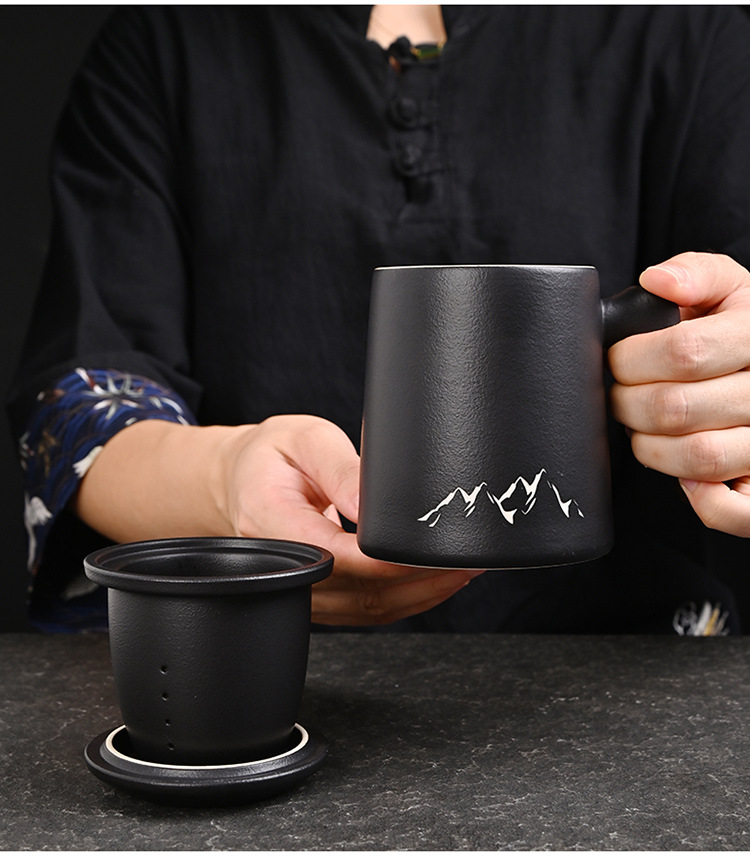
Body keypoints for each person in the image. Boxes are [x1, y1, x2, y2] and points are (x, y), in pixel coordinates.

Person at [8, 5, 750, 634]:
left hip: (640, 689)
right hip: (250, 673)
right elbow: (81, 398)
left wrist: (727, 373)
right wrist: (224, 483)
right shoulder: (166, 35)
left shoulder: (693, 25)